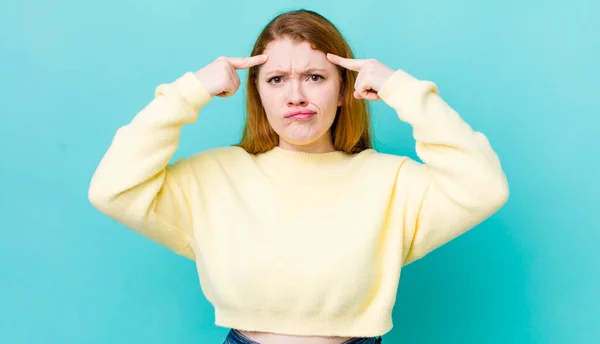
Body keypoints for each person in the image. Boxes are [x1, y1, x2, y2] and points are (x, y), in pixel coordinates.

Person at [88, 9, 509, 344]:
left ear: (343, 90)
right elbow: (112, 190)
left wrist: (404, 90)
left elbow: (483, 188)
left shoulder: (392, 182)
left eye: (314, 77)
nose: (296, 96)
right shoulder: (214, 177)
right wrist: (188, 91)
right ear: (257, 94)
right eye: (276, 79)